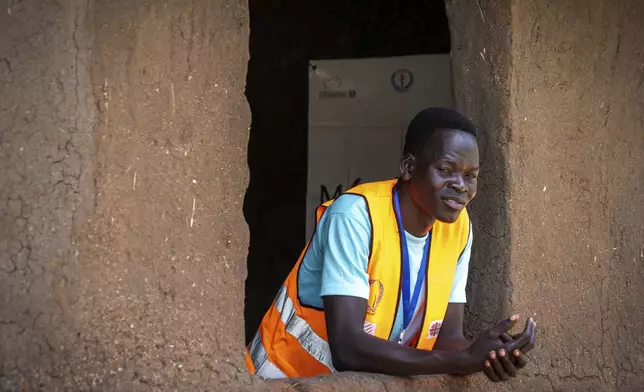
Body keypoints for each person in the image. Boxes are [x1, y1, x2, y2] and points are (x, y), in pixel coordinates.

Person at [245, 108, 537, 381]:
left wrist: (486, 356)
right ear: (409, 167)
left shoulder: (458, 228)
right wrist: (461, 361)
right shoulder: (355, 217)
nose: (461, 185)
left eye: (470, 176)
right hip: (282, 377)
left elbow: (447, 339)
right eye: (446, 169)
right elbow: (348, 349)